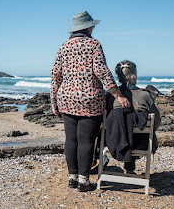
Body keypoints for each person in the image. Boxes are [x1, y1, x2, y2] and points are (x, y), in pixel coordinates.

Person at [50, 11, 130, 192]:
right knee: (86, 140)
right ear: (87, 27)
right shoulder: (93, 44)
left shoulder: (63, 47)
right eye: (92, 25)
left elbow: (55, 75)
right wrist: (118, 95)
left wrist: (53, 100)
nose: (93, 28)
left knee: (70, 139)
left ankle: (72, 178)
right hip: (89, 100)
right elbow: (102, 71)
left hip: (66, 98)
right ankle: (83, 181)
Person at [109, 60, 161, 174]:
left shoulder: (111, 97)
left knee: (120, 126)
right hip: (141, 143)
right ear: (134, 77)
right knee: (135, 130)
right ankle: (129, 167)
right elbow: (157, 121)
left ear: (118, 78)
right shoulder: (145, 95)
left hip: (115, 142)